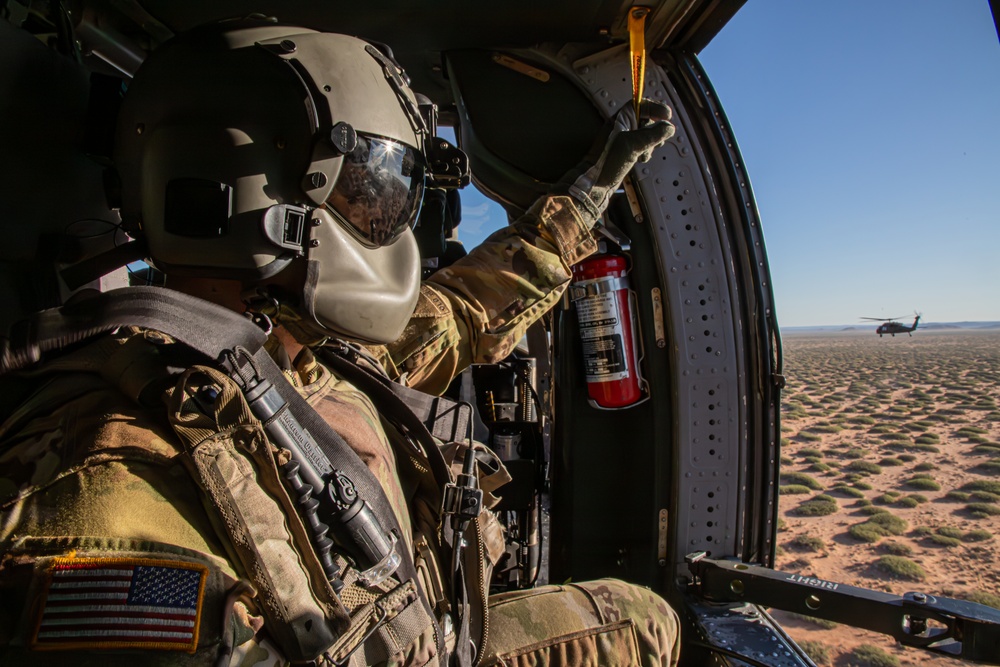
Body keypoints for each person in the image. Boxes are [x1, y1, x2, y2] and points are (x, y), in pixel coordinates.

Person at [0, 22, 678, 666]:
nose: (381, 219)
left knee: (645, 620)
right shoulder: (109, 486)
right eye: (367, 190)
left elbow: (467, 305)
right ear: (259, 200)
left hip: (429, 635)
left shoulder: (304, 358)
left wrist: (592, 191)